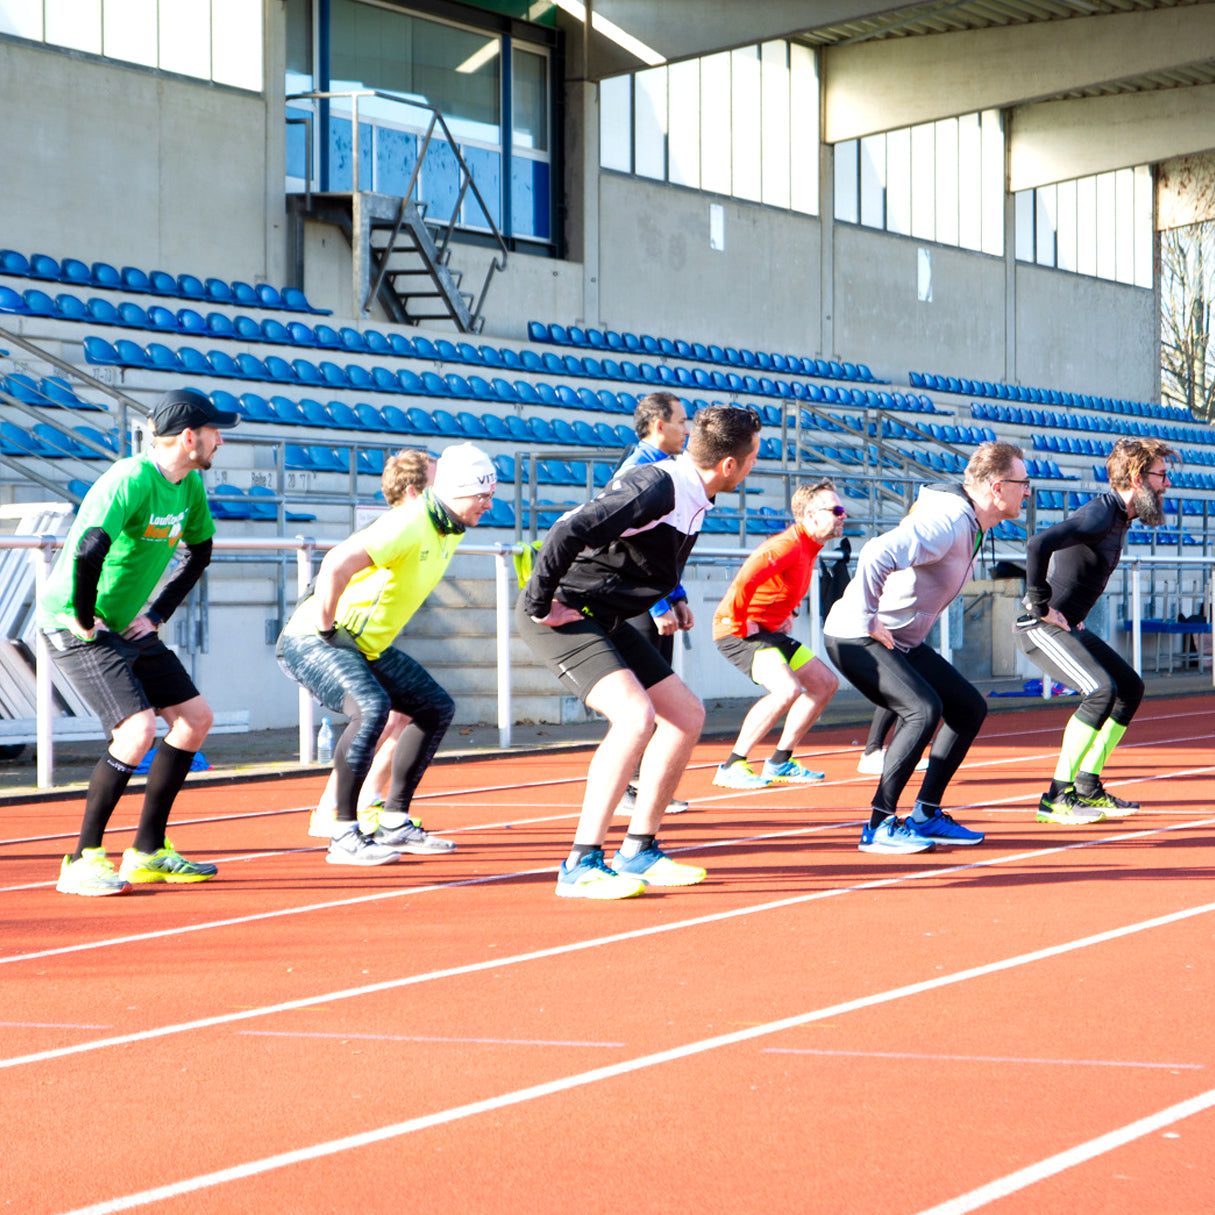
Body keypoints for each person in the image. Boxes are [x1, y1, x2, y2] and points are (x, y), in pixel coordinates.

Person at [516, 404, 762, 899]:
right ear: (730, 466)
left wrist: (674, 597)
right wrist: (541, 602)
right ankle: (580, 862)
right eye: (754, 455)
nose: (756, 464)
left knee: (687, 715)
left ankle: (639, 849)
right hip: (564, 613)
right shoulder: (659, 484)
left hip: (605, 617)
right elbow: (570, 529)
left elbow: (642, 554)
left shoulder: (693, 492)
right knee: (634, 718)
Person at [41, 387, 238, 896]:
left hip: (130, 624)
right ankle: (81, 860)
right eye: (216, 431)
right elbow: (88, 550)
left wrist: (157, 615)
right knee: (136, 731)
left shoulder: (189, 483)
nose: (221, 440)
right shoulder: (129, 479)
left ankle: (147, 852)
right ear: (189, 436)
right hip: (77, 621)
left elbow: (201, 552)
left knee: (195, 721)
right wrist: (85, 617)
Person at [277, 442, 495, 865]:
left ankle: (394, 821)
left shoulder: (446, 524)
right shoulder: (410, 523)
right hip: (316, 638)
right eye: (482, 496)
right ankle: (342, 833)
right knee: (372, 707)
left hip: (366, 646)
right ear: (454, 491)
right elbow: (337, 561)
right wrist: (325, 627)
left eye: (490, 495)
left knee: (434, 707)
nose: (488, 505)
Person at [824, 441, 1031, 854]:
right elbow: (876, 553)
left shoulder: (970, 523)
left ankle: (926, 814)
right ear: (996, 487)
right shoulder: (950, 521)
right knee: (922, 710)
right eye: (1023, 483)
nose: (1027, 492)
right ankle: (879, 826)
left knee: (969, 707)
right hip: (855, 634)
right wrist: (866, 616)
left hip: (900, 640)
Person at [1016, 436, 1177, 824]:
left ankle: (1087, 785)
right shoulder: (1101, 514)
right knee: (1100, 690)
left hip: (1068, 626)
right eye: (1162, 476)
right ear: (1138, 478)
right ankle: (1057, 796)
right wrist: (1040, 605)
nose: (1167, 484)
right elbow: (1038, 544)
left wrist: (1070, 612)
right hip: (1037, 627)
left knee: (1129, 689)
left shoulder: (1121, 517)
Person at [307, 447, 436, 838]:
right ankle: (334, 808)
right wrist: (328, 629)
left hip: (370, 639)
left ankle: (365, 803)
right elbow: (336, 567)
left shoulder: (421, 529)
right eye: (437, 484)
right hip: (343, 638)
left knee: (403, 713)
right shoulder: (398, 529)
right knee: (381, 713)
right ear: (414, 493)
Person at [710, 480, 843, 789]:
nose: (842, 515)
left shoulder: (809, 547)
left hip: (768, 631)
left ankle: (780, 762)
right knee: (787, 689)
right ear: (811, 515)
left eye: (842, 510)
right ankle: (732, 765)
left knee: (825, 684)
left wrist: (788, 612)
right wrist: (740, 621)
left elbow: (781, 585)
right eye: (835, 510)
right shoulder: (787, 545)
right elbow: (746, 578)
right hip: (737, 631)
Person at [613, 391, 693, 815]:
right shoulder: (639, 470)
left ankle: (645, 783)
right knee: (641, 696)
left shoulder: (666, 468)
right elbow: (633, 547)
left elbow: (665, 546)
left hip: (654, 595)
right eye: (681, 421)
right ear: (659, 425)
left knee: (659, 694)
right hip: (635, 602)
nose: (688, 429)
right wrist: (659, 606)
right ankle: (627, 786)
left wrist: (676, 596)